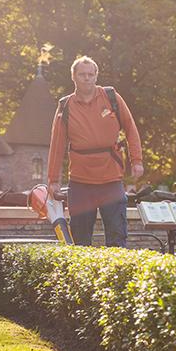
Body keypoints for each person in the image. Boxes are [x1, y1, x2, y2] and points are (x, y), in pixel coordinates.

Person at [47, 56, 144, 247]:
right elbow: (57, 145)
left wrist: (137, 160)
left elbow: (131, 128)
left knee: (117, 236)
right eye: (82, 74)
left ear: (96, 76)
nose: (87, 78)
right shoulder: (65, 106)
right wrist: (53, 180)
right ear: (73, 76)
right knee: (80, 240)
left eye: (90, 74)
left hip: (111, 179)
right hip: (80, 182)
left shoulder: (112, 97)